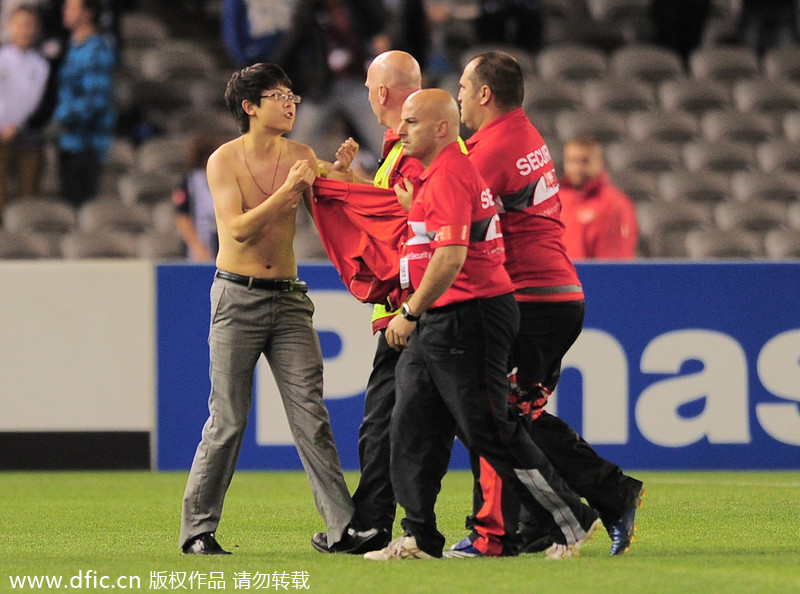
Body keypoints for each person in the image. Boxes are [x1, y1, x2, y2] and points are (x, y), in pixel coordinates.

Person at [363, 88, 602, 561]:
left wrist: (409, 313)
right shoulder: (440, 176)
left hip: (468, 314)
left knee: (492, 429)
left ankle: (570, 521)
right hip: (446, 313)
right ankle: (419, 537)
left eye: (412, 122)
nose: (400, 130)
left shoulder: (451, 173)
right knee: (412, 424)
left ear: (441, 128)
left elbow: (451, 257)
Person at [179, 62, 384, 556]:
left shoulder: (301, 154)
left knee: (310, 414)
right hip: (237, 297)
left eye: (292, 94)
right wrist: (290, 190)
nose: (290, 103)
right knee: (227, 419)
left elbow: (332, 209)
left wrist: (343, 173)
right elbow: (240, 229)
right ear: (250, 107)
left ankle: (342, 528)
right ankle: (197, 531)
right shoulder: (223, 161)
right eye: (278, 96)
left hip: (289, 299)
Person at [448, 50, 643, 559]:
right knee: (518, 414)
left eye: (465, 88)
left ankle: (501, 530)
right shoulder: (523, 134)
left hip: (531, 299)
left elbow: (445, 210)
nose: (459, 96)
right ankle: (562, 512)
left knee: (494, 414)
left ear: (485, 94)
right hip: (553, 296)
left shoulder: (490, 150)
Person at [311, 51, 426, 552]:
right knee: (458, 420)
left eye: (367, 85)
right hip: (408, 309)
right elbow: (389, 208)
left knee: (385, 420)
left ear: (381, 94)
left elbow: (413, 221)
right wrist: (352, 179)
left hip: (413, 309)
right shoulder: (403, 148)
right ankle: (384, 521)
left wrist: (328, 188)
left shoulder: (415, 148)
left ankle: (375, 522)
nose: (365, 93)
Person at [273, 0, 388, 168]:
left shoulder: (356, 6)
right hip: (323, 88)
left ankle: (399, 180)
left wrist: (380, 41)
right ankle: (284, 181)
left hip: (356, 82)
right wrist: (271, 78)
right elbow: (290, 45)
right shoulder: (308, 10)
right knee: (298, 140)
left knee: (383, 138)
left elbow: (382, 24)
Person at [51, 0, 116, 207]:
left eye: (71, 7)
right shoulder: (72, 45)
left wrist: (58, 117)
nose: (65, 10)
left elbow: (93, 102)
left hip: (86, 145)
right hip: (68, 141)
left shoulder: (97, 50)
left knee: (82, 207)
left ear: (88, 13)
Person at [0, 4, 50, 214]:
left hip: (29, 140)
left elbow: (39, 103)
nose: (24, 30)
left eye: (29, 25)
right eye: (20, 25)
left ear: (36, 29)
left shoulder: (42, 65)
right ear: (9, 26)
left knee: (28, 200)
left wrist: (18, 127)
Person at [558, 135, 638, 261]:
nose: (577, 168)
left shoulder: (614, 203)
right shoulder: (557, 200)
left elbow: (615, 262)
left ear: (599, 162)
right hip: (562, 278)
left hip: (595, 278)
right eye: (572, 161)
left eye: (585, 161)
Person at [172, 133, 226, 262]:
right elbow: (181, 216)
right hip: (199, 252)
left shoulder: (225, 179)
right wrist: (197, 245)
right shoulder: (190, 181)